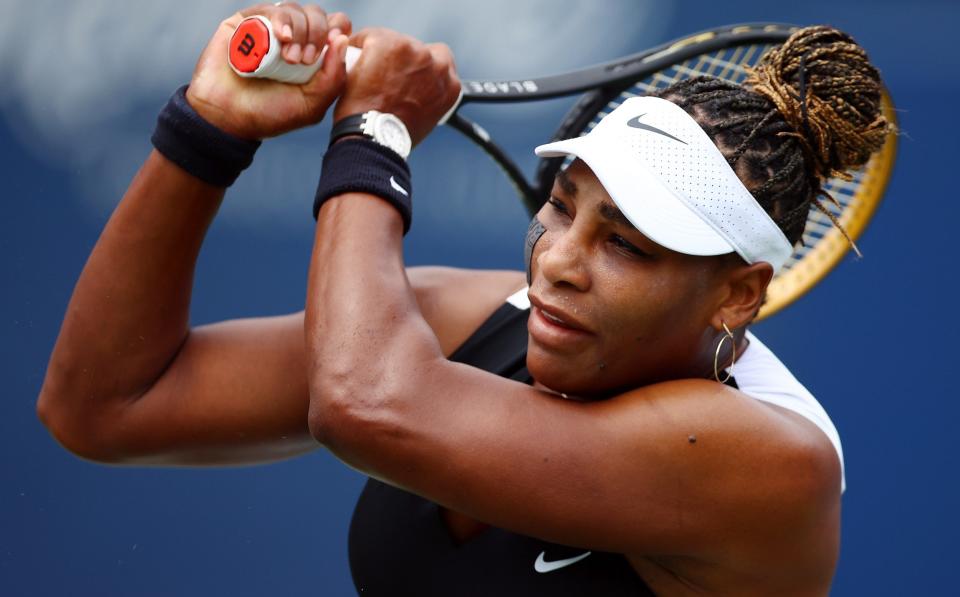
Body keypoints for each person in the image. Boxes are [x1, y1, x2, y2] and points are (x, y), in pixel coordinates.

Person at [37, 3, 890, 594]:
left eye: (624, 243)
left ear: (739, 294)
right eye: (562, 204)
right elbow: (106, 405)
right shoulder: (483, 320)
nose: (558, 260)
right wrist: (210, 128)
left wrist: (374, 134)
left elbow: (362, 401)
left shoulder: (771, 462)